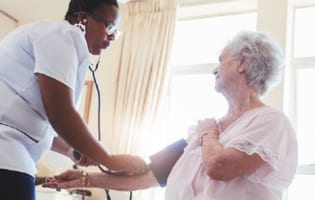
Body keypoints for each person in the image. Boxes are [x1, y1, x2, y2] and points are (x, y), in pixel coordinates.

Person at [44, 30, 298, 200]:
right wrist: (86, 178)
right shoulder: (203, 130)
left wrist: (208, 133)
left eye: (221, 60)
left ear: (242, 63)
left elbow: (219, 167)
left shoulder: (271, 122)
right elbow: (150, 175)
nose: (214, 69)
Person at [0, 0, 147, 199]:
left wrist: (71, 150)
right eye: (109, 25)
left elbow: (35, 124)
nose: (112, 36)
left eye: (116, 31)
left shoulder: (57, 41)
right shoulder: (63, 35)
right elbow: (60, 114)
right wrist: (109, 159)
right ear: (82, 17)